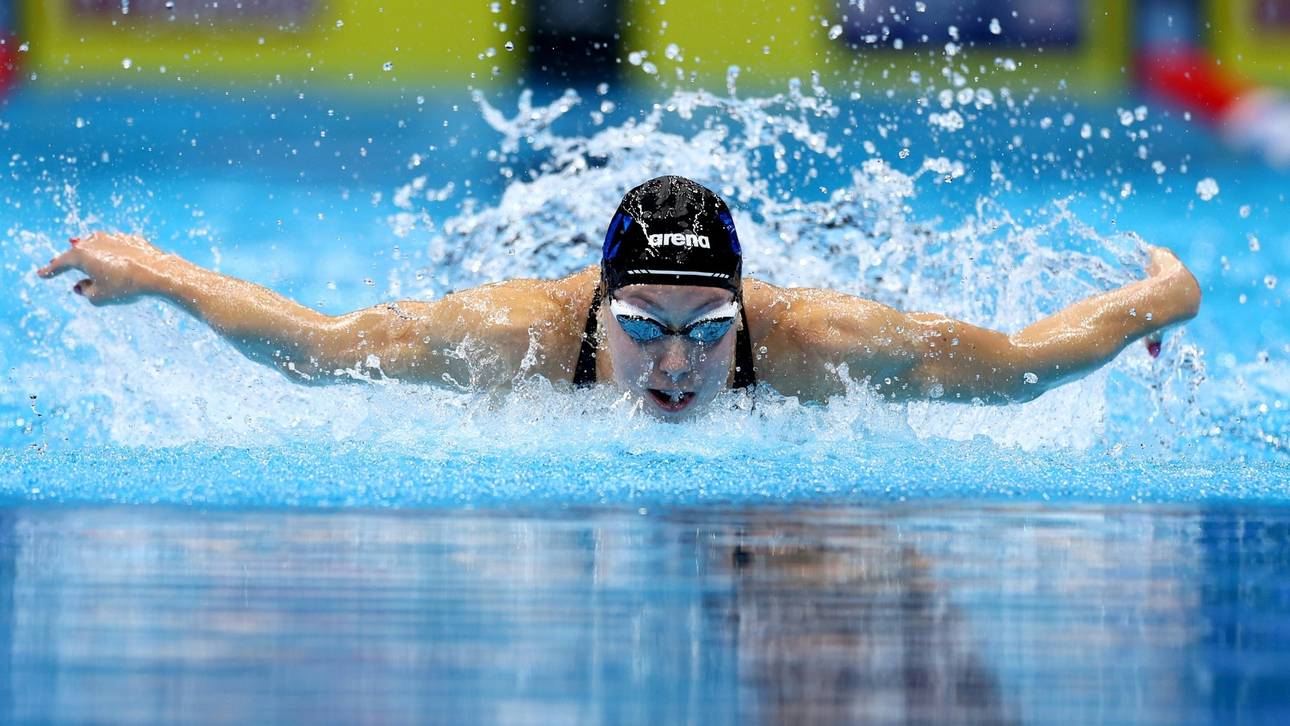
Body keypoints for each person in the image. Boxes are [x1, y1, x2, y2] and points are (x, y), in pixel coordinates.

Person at [37, 175, 1201, 420]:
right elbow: (317, 347)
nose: (680, 365)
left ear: (746, 315)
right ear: (601, 311)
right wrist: (161, 275)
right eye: (646, 330)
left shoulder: (814, 343)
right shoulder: (513, 335)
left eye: (708, 331)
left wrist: (1159, 300)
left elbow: (1014, 368)